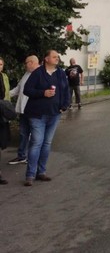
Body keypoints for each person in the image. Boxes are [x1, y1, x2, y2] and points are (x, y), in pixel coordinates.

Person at [23, 49, 70, 186]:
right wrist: (43, 93)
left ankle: (41, 172)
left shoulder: (61, 73)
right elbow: (27, 90)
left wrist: (65, 105)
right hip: (37, 115)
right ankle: (30, 175)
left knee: (47, 143)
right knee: (37, 142)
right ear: (46, 59)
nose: (57, 59)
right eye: (54, 57)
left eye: (58, 57)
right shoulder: (38, 73)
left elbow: (66, 91)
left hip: (54, 114)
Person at [8, 55, 40, 165]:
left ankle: (33, 157)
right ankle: (22, 156)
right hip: (23, 110)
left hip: (34, 111)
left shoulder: (41, 74)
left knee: (35, 136)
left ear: (31, 62)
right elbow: (18, 89)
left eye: (26, 63)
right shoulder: (26, 74)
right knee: (23, 134)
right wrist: (5, 95)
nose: (25, 65)